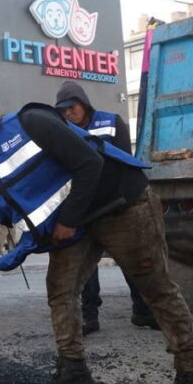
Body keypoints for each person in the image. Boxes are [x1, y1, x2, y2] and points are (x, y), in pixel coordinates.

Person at [0, 100, 193, 384]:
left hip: (120, 205)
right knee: (61, 290)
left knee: (155, 288)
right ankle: (74, 374)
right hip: (79, 222)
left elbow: (89, 163)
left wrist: (68, 220)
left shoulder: (31, 123)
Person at [55, 81, 158, 336]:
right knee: (87, 268)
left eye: (72, 106)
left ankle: (143, 311)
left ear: (84, 102)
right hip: (87, 209)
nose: (68, 112)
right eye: (63, 109)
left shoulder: (112, 122)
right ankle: (90, 316)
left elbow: (124, 162)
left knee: (130, 260)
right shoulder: (62, 132)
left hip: (117, 205)